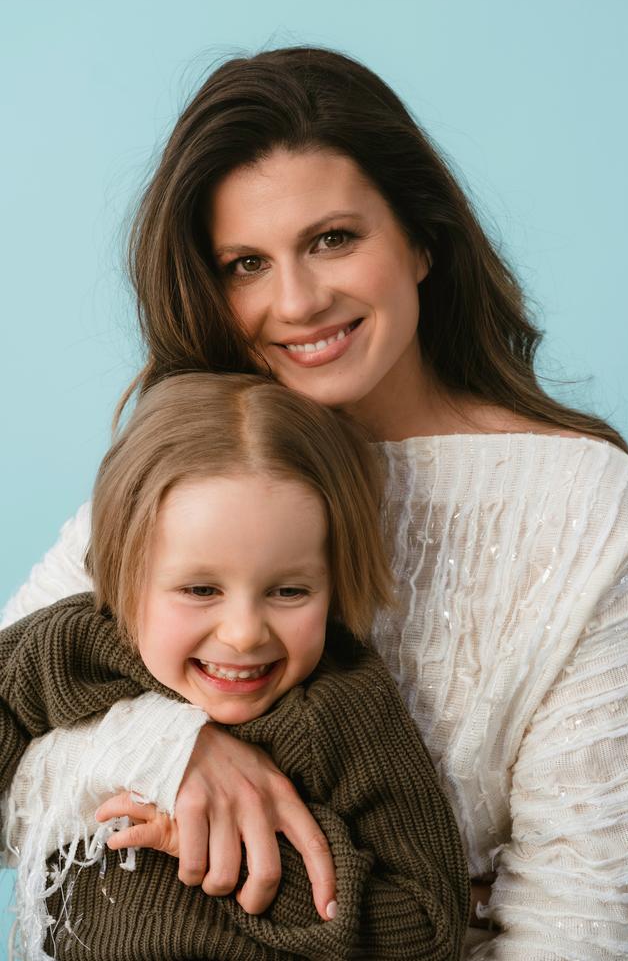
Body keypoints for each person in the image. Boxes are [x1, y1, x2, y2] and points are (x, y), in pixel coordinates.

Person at [2, 46, 628, 960]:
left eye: (333, 240)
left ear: (423, 240)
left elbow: (584, 920)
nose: (298, 301)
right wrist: (172, 753)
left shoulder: (591, 511)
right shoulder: (189, 466)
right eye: (244, 263)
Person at [0, 371, 469, 960]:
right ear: (124, 577)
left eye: (290, 591)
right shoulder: (75, 646)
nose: (245, 635)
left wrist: (241, 854)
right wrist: (148, 752)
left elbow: (429, 930)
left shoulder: (342, 708)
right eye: (200, 590)